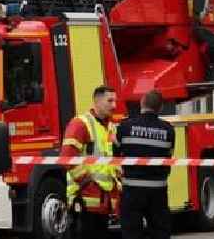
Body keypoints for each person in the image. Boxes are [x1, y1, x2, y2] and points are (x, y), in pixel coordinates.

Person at [60, 85, 121, 239]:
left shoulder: (110, 127)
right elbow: (68, 158)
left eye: (115, 101)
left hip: (103, 202)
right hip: (85, 199)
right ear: (97, 101)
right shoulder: (80, 124)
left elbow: (109, 160)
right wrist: (87, 182)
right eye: (110, 101)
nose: (114, 105)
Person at [115, 89, 175, 239]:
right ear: (160, 108)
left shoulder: (125, 126)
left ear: (141, 103)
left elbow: (116, 153)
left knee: (132, 232)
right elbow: (169, 155)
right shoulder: (169, 130)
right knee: (160, 231)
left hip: (132, 190)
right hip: (158, 191)